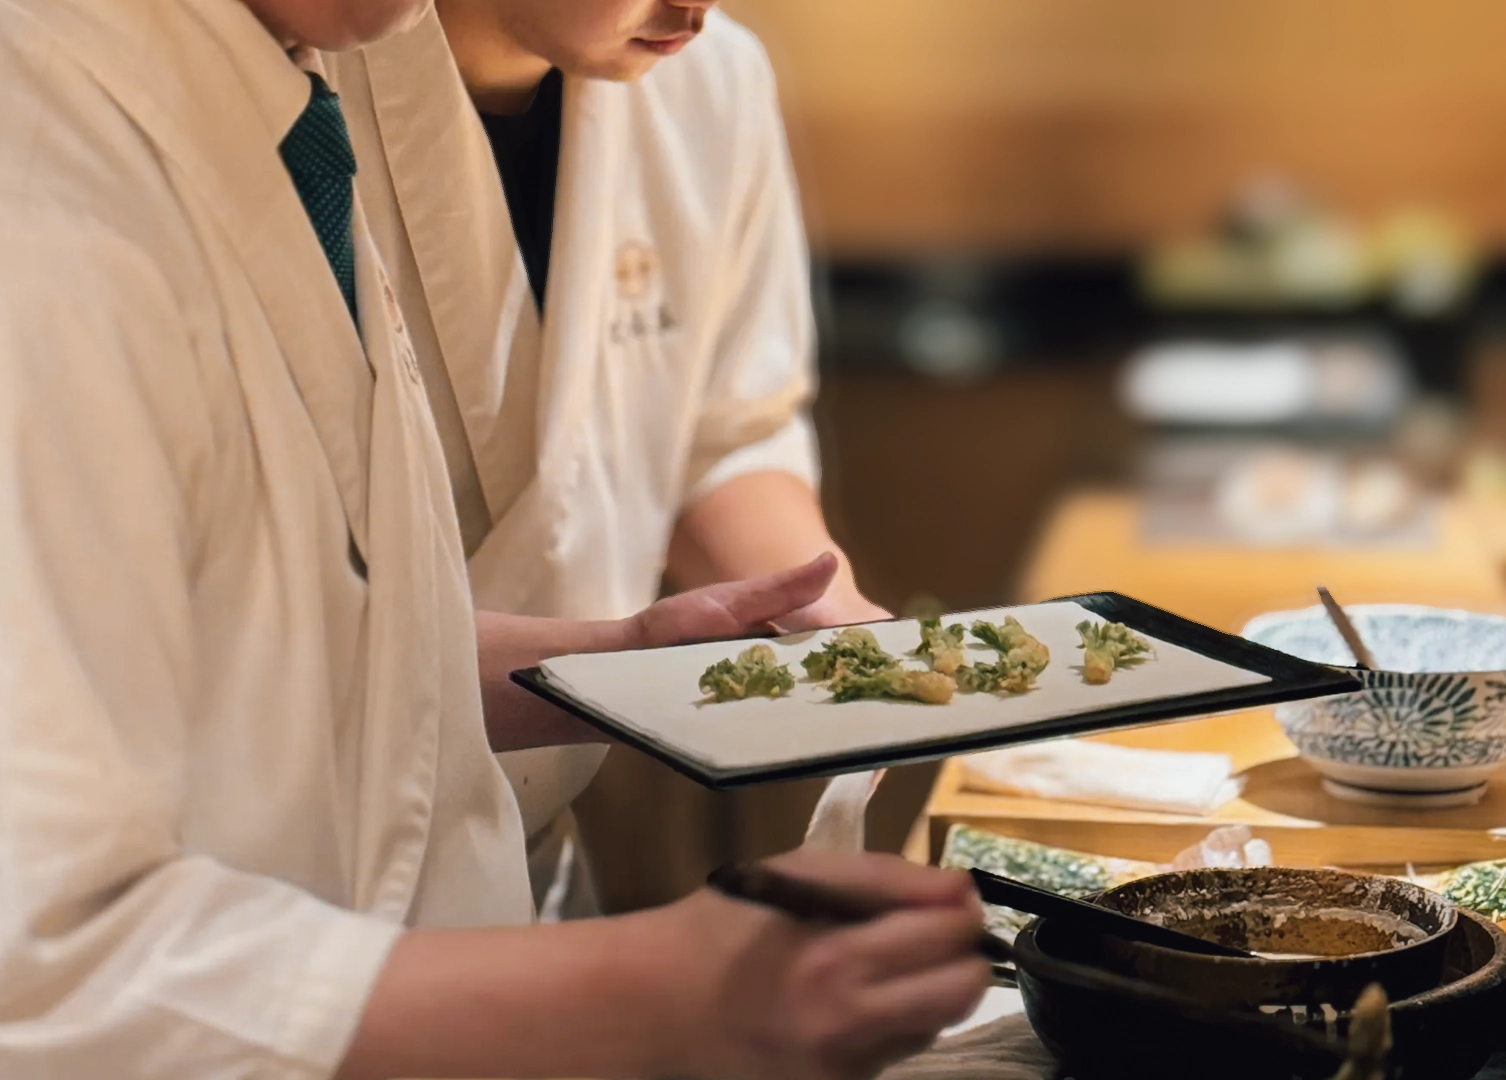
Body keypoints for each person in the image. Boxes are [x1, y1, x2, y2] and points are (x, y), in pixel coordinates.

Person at [0, 0, 986, 1075]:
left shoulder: (284, 80)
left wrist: (617, 663)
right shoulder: (66, 169)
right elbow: (54, 960)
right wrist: (667, 983)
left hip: (448, 919)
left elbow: (320, 635)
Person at [324, 0, 891, 912]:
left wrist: (833, 622)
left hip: (527, 849)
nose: (691, 10)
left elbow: (721, 434)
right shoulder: (291, 87)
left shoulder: (712, 79)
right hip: (294, 859)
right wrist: (612, 660)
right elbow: (261, 619)